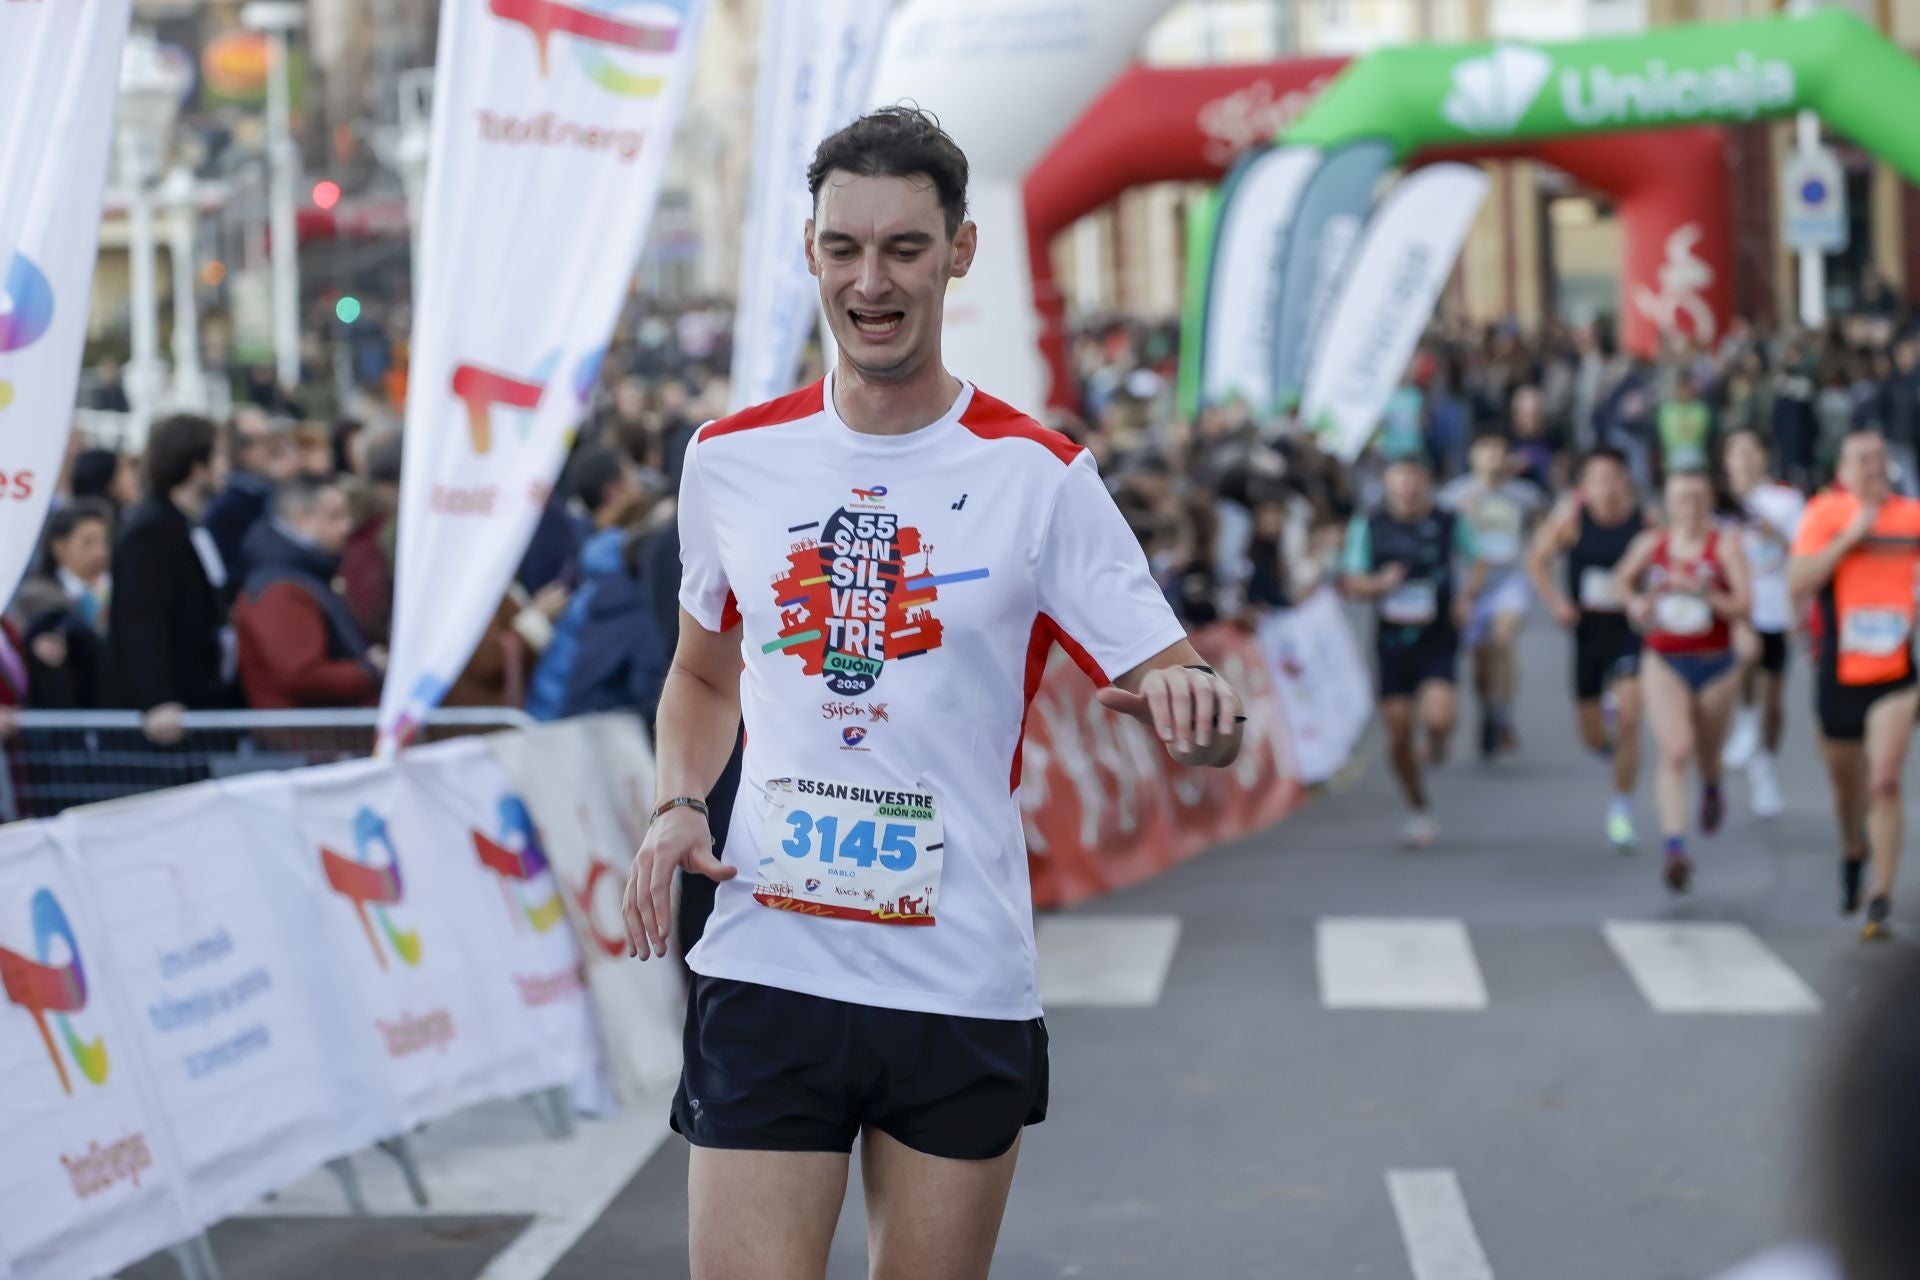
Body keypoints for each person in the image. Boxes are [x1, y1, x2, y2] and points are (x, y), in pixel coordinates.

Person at [619, 106, 1244, 1280]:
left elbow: (1187, 688)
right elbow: (702, 674)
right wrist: (676, 802)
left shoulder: (1040, 477)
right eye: (844, 248)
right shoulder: (730, 458)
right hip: (771, 959)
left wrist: (1200, 718)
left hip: (956, 975)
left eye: (905, 248)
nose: (872, 281)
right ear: (809, 252)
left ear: (959, 251)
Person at [1788, 428, 1920, 940]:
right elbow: (1798, 582)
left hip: (1897, 674)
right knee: (1848, 790)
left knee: (1884, 779)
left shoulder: (1911, 516)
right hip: (1839, 673)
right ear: (1842, 468)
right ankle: (1852, 849)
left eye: (1877, 457)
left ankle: (1880, 895)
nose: (1870, 465)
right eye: (1859, 458)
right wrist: (1851, 536)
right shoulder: (1825, 514)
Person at [1612, 468, 1750, 894]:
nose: (1689, 508)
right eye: (1681, 499)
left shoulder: (1723, 545)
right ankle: (1675, 848)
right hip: (1665, 659)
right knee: (1675, 751)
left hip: (1714, 661)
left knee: (1707, 753)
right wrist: (1636, 603)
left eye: (1697, 498)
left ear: (1710, 502)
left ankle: (1711, 785)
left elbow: (1744, 604)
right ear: (1667, 503)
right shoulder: (1652, 544)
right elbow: (1619, 580)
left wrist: (1703, 592)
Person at [1341, 455, 1484, 847]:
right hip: (1392, 641)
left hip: (1437, 633)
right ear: (1388, 485)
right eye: (1399, 481)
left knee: (1438, 717)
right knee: (1399, 734)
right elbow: (1352, 581)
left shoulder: (1448, 520)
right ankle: (1418, 807)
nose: (1406, 489)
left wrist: (1467, 597)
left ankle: (1438, 740)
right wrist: (1380, 585)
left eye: (1414, 481)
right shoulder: (1369, 524)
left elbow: (1477, 561)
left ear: (1425, 483)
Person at [1527, 447, 1646, 850]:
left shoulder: (1643, 521)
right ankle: (1611, 749)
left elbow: (1668, 556)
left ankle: (1622, 807)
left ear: (1626, 480)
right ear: (1585, 486)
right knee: (1593, 737)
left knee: (1630, 717)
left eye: (1614, 477)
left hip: (1630, 631)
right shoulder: (1573, 521)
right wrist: (1557, 603)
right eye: (1598, 479)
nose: (1607, 487)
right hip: (1588, 633)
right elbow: (1536, 560)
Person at [102, 414, 233, 742]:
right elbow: (141, 618)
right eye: (217, 455)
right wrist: (157, 701)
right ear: (196, 465)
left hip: (198, 702)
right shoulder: (152, 530)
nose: (225, 466)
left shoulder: (186, 523)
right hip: (171, 720)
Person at [233, 475, 384, 709]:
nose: (348, 525)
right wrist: (368, 670)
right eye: (335, 516)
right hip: (307, 738)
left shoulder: (306, 572)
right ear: (301, 519)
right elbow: (301, 675)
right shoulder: (281, 589)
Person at [1438, 427, 1544, 759]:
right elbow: (1438, 540)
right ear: (1473, 458)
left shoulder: (1525, 495)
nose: (1493, 460)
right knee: (1482, 664)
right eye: (1486, 453)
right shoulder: (1454, 496)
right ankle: (1489, 709)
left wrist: (1538, 564)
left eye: (1499, 453)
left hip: (1511, 580)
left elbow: (1542, 532)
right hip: (1472, 585)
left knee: (1504, 639)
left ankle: (1504, 714)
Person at [1719, 429, 1805, 818]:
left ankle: (1765, 765)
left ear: (1765, 458)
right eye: (1738, 453)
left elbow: (1803, 553)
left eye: (1754, 452)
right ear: (1727, 460)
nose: (1746, 460)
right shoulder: (1718, 505)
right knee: (1746, 657)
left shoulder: (1785, 501)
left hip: (1776, 606)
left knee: (1775, 696)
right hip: (1738, 606)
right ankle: (1745, 719)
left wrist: (1777, 534)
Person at [203, 407, 295, 589]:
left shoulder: (276, 492)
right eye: (262, 440)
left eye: (271, 438)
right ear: (239, 449)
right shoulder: (226, 509)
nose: (272, 448)